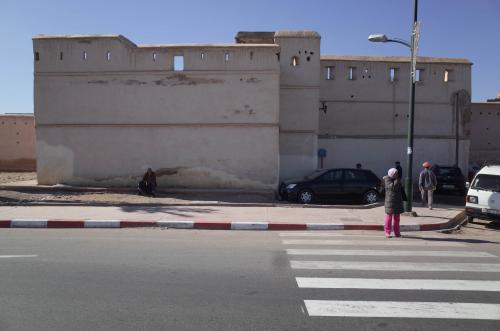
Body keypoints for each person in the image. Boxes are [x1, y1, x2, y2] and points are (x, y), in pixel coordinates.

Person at [383, 168, 405, 238]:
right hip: (390, 202)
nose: (397, 174)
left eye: (397, 173)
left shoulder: (397, 180)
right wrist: (397, 180)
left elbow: (400, 189)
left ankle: (397, 232)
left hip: (397, 201)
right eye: (395, 173)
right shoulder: (387, 179)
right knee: (389, 217)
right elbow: (393, 187)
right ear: (392, 173)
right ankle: (387, 232)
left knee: (397, 218)